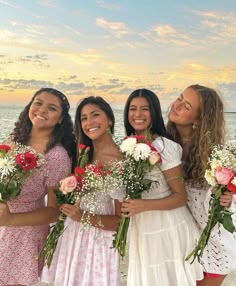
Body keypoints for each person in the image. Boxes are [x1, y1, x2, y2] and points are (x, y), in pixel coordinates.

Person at [121, 88, 203, 286]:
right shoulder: (126, 146)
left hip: (167, 227)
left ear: (155, 112)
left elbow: (180, 197)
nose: (138, 114)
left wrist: (141, 205)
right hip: (142, 228)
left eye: (145, 109)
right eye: (133, 108)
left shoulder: (165, 147)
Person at [41, 96, 123, 286]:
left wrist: (83, 216)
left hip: (98, 241)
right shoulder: (79, 154)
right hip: (70, 235)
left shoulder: (121, 161)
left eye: (95, 115)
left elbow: (121, 222)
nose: (89, 122)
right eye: (83, 118)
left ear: (110, 119)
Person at [0, 87, 76, 286]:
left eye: (51, 108)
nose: (42, 110)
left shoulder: (57, 156)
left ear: (60, 119)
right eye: (38, 103)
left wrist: (10, 219)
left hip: (23, 232)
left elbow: (54, 211)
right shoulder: (14, 140)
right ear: (29, 106)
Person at [167, 84, 236, 286]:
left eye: (186, 106)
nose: (176, 105)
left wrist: (226, 197)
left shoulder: (216, 154)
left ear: (198, 119)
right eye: (179, 98)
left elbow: (226, 200)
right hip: (180, 241)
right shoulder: (165, 143)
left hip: (214, 242)